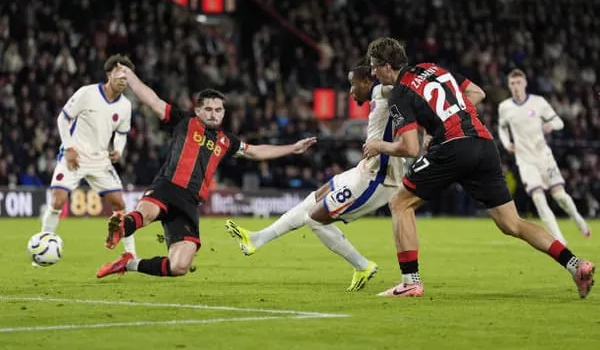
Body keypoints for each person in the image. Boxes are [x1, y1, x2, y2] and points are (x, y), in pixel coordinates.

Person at [362, 37, 595, 298]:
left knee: (400, 204)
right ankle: (576, 266)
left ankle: (410, 282)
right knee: (512, 224)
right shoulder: (432, 68)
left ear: (386, 66)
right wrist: (450, 118)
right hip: (483, 144)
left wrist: (378, 145)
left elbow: (409, 148)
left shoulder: (400, 94)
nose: (372, 72)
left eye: (373, 66)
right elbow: (476, 93)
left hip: (452, 147)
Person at [96, 66, 317, 279]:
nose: (213, 114)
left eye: (218, 110)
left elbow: (256, 152)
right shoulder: (184, 121)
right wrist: (129, 74)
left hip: (190, 202)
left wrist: (293, 148)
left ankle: (128, 263)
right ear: (198, 110)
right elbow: (152, 100)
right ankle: (122, 227)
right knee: (147, 214)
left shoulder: (226, 140)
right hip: (166, 187)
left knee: (179, 266)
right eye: (208, 109)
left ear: (223, 113)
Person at [225, 63, 405, 291]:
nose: (350, 91)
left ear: (367, 81)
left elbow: (405, 85)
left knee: (314, 217)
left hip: (379, 179)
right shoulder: (377, 97)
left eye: (353, 85)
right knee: (314, 198)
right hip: (364, 169)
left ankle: (362, 265)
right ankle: (258, 239)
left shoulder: (384, 91)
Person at [36, 54, 137, 265]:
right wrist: (70, 148)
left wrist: (118, 150)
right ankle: (42, 250)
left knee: (120, 205)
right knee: (58, 200)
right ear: (109, 74)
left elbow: (121, 132)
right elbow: (63, 119)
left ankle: (131, 254)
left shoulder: (125, 105)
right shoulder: (87, 93)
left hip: (101, 160)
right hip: (75, 156)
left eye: (127, 78)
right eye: (120, 76)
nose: (123, 81)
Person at [498, 69, 590, 244]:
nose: (516, 87)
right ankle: (560, 240)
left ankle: (577, 218)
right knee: (538, 198)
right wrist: (506, 142)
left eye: (518, 83)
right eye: (512, 84)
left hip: (543, 156)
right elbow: (502, 127)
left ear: (525, 83)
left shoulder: (538, 102)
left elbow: (559, 122)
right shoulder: (505, 107)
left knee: (560, 196)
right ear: (509, 86)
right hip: (524, 160)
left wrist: (550, 125)